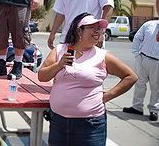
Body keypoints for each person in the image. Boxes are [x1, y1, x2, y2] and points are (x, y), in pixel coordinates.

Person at [38, 12, 137, 146]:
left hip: (90, 125)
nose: (97, 30)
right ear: (79, 31)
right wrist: (59, 64)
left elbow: (130, 77)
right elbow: (42, 76)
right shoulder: (60, 50)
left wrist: (107, 96)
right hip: (59, 122)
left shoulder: (102, 56)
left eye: (99, 28)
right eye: (92, 27)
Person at [123, 18, 159, 121]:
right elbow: (138, 38)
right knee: (139, 83)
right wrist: (136, 54)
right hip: (142, 58)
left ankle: (154, 110)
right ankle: (137, 107)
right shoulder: (149, 25)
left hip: (157, 62)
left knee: (156, 86)